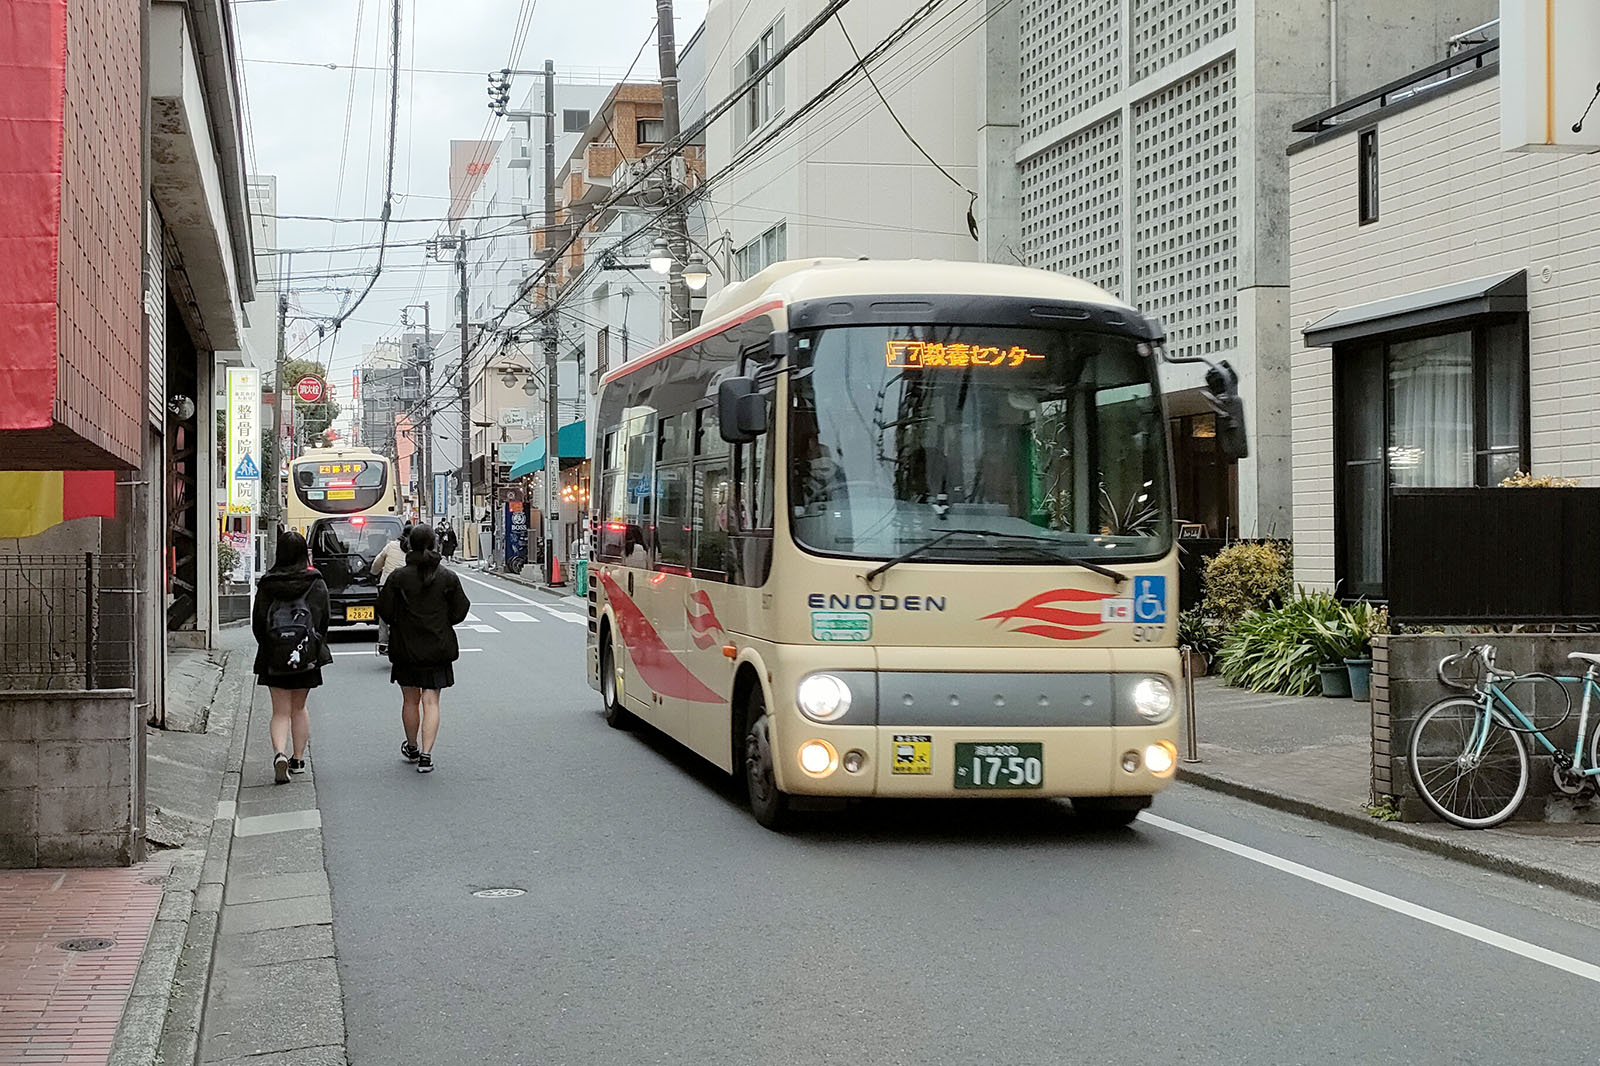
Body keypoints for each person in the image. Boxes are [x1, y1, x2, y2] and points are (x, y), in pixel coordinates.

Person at [378, 525, 470, 773]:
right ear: (434, 545)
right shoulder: (447, 577)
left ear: (409, 545)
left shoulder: (398, 578)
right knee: (431, 701)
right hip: (437, 647)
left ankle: (412, 746)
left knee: (410, 699)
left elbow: (385, 611)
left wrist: (401, 622)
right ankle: (427, 756)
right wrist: (441, 622)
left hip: (405, 647)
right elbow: (460, 610)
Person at [252, 531, 331, 784]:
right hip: (305, 654)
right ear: (303, 553)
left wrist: (271, 647)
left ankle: (279, 754)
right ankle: (298, 760)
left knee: (280, 711)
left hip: (274, 656)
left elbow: (258, 623)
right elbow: (323, 619)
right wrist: (312, 645)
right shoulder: (315, 582)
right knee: (299, 708)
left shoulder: (267, 583)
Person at [371, 523, 411, 654]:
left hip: (386, 585)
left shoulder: (391, 546)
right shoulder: (415, 549)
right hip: (407, 587)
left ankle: (383, 643)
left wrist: (374, 573)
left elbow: (377, 563)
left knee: (384, 613)